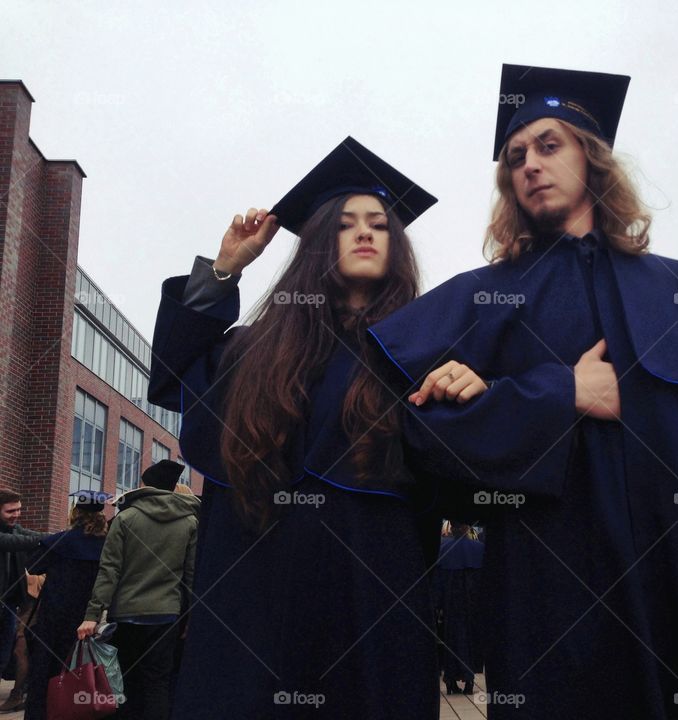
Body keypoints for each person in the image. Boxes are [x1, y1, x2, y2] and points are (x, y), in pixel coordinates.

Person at [368, 64, 678, 718]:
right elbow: (411, 432)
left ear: (592, 160)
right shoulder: (482, 299)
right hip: (552, 592)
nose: (530, 165)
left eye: (550, 146)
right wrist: (555, 394)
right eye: (516, 156)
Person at [146, 137, 488, 719]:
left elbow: (465, 479)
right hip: (253, 601)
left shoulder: (429, 354)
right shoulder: (255, 351)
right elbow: (175, 377)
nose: (363, 233)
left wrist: (476, 395)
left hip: (373, 604)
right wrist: (224, 271)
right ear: (315, 245)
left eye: (379, 224)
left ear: (396, 245)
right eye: (344, 224)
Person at [77, 460, 200, 720]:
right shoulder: (190, 522)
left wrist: (92, 614)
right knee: (158, 684)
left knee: (125, 683)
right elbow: (190, 576)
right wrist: (191, 616)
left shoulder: (126, 518)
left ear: (146, 486)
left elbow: (109, 570)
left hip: (126, 615)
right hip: (166, 616)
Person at [24, 490, 110, 720]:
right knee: (82, 670)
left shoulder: (61, 541)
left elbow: (33, 566)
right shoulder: (108, 545)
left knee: (44, 671)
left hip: (53, 615)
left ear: (76, 512)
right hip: (88, 617)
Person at [0, 487, 47, 710]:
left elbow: (32, 537)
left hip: (9, 603)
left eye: (19, 509)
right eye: (11, 511)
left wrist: (61, 538)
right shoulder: (8, 536)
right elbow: (15, 542)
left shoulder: (15, 529)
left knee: (3, 653)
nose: (17, 514)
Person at [435, 521, 484, 696]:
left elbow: (438, 583)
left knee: (450, 640)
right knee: (470, 641)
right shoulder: (479, 549)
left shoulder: (442, 549)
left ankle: (450, 681)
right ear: (466, 527)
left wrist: (437, 606)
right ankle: (469, 680)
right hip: (471, 606)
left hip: (450, 606)